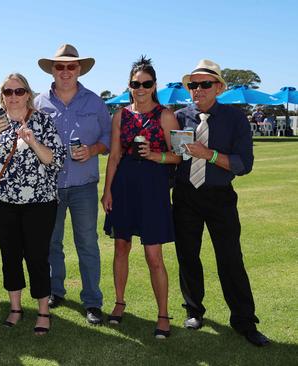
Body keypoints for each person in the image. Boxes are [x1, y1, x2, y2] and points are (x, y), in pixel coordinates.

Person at [174, 59, 270, 347]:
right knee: (187, 256)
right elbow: (171, 156)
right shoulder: (179, 117)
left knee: (230, 259)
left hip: (220, 197)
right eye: (193, 84)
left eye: (205, 84)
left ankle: (245, 321)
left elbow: (243, 165)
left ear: (218, 87)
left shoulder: (235, 119)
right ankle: (194, 311)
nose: (198, 90)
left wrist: (209, 155)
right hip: (185, 194)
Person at [101, 56, 181, 339]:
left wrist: (156, 155)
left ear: (154, 85)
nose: (141, 88)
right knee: (121, 246)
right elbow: (114, 156)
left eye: (146, 83)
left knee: (153, 255)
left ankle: (163, 314)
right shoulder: (120, 115)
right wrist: (107, 190)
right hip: (123, 184)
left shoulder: (166, 115)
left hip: (153, 186)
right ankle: (119, 303)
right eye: (136, 84)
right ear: (129, 85)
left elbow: (180, 156)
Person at [0, 73, 64, 335]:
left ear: (28, 93)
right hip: (6, 202)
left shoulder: (43, 121)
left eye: (18, 91)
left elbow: (55, 161)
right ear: (2, 95)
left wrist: (32, 140)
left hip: (40, 202)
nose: (13, 96)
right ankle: (15, 308)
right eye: (8, 91)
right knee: (10, 255)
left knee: (37, 256)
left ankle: (43, 311)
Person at [34, 44, 111, 324]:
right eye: (60, 66)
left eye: (71, 66)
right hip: (48, 186)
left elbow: (109, 140)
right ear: (53, 70)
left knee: (87, 243)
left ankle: (92, 301)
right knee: (52, 242)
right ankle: (56, 290)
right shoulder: (39, 103)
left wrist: (92, 150)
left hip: (83, 186)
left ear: (79, 70)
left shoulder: (95, 102)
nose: (65, 71)